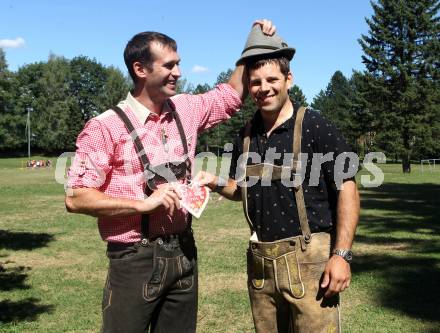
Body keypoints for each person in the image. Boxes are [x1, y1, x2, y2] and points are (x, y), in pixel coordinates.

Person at [65, 21, 275, 333]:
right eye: (169, 65)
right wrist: (143, 205)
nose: (178, 72)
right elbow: (76, 196)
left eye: (179, 64)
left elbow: (230, 95)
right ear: (140, 69)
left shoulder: (186, 109)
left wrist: (253, 43)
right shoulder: (105, 127)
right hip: (134, 258)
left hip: (184, 251)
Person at [196, 26, 360, 333]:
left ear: (288, 80)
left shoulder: (314, 125)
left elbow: (347, 188)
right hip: (261, 268)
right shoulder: (245, 136)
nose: (264, 88)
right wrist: (215, 181)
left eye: (272, 80)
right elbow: (241, 189)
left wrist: (341, 255)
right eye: (256, 82)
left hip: (311, 263)